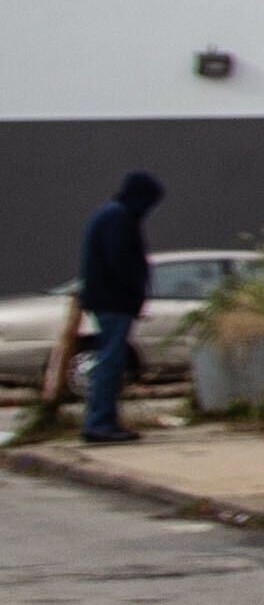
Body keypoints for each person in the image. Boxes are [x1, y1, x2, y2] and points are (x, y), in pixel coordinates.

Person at [75, 170, 161, 445]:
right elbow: (121, 261)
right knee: (110, 362)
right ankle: (100, 422)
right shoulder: (118, 217)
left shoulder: (111, 214)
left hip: (110, 300)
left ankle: (103, 420)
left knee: (110, 360)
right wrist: (134, 292)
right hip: (114, 301)